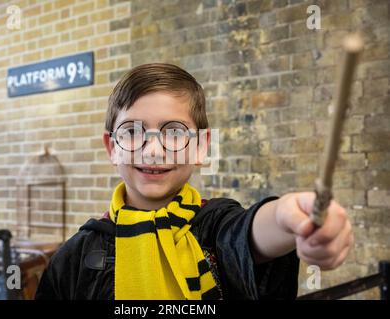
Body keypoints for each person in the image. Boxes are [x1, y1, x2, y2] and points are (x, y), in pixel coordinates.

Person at [35, 63, 353, 300]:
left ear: (200, 146)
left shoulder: (216, 227)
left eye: (174, 132)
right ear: (111, 147)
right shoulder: (73, 258)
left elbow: (250, 233)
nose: (154, 150)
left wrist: (288, 217)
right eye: (132, 132)